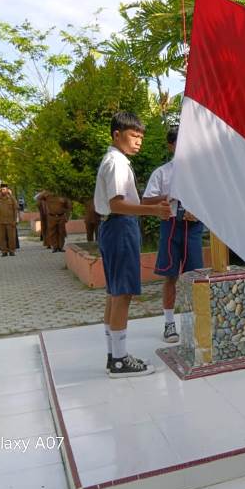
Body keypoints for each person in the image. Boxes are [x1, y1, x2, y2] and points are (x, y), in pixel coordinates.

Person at [94, 112, 171, 378]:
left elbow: (123, 202)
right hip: (119, 226)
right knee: (123, 293)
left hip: (114, 226)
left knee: (115, 293)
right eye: (134, 136)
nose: (139, 141)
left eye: (141, 137)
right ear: (117, 134)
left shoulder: (115, 160)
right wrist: (153, 211)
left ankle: (114, 355)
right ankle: (119, 360)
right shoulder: (116, 163)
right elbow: (117, 204)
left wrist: (157, 203)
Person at [143, 126, 205, 344]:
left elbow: (209, 200)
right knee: (170, 275)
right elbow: (146, 200)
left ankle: (196, 323)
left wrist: (198, 212)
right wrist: (168, 196)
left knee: (195, 277)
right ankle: (169, 324)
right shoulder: (162, 173)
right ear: (171, 146)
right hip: (170, 226)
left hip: (193, 228)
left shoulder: (200, 173)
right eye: (179, 143)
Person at [0, 183, 19, 257]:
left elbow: (16, 209)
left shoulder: (12, 198)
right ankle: (4, 251)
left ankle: (12, 251)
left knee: (11, 237)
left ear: (7, 190)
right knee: (2, 237)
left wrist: (16, 220)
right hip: (0, 221)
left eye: (4, 189)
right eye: (1, 189)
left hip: (10, 221)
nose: (3, 191)